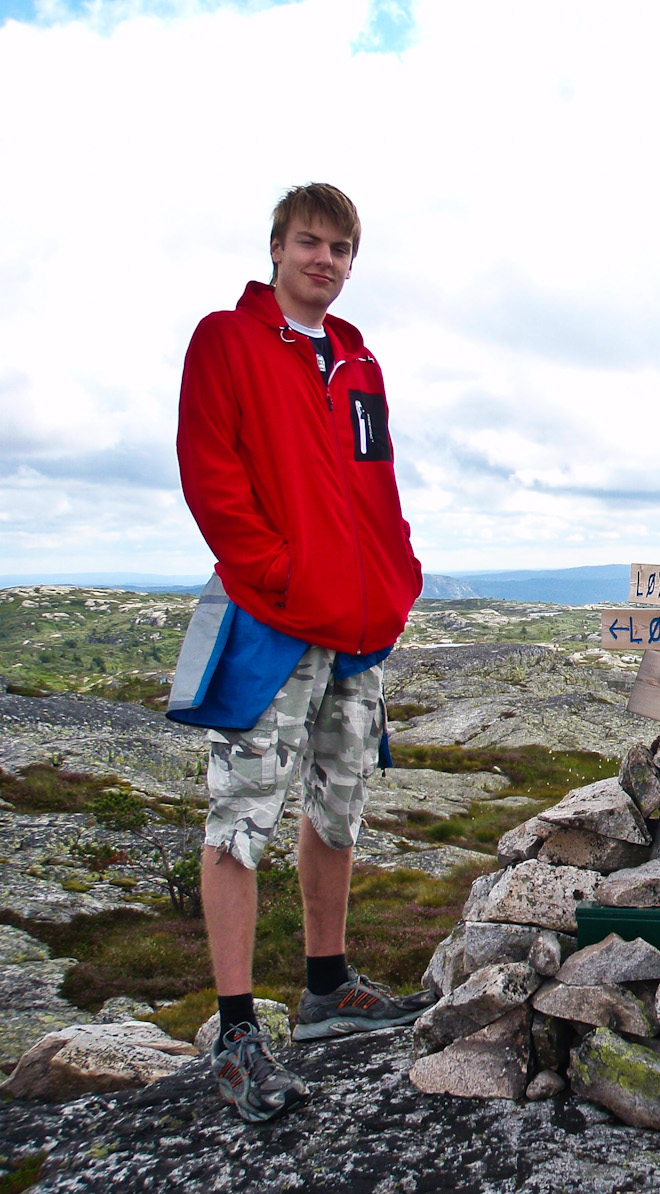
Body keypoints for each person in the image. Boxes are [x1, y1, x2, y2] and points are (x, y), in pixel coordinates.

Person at [170, 183, 432, 1123]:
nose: (325, 259)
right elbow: (210, 473)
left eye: (340, 248)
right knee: (240, 818)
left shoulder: (359, 360)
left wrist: (398, 573)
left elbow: (378, 481)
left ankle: (327, 988)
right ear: (277, 248)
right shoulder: (227, 340)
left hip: (359, 627)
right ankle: (238, 1032)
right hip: (272, 622)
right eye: (310, 242)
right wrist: (277, 573)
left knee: (340, 805)